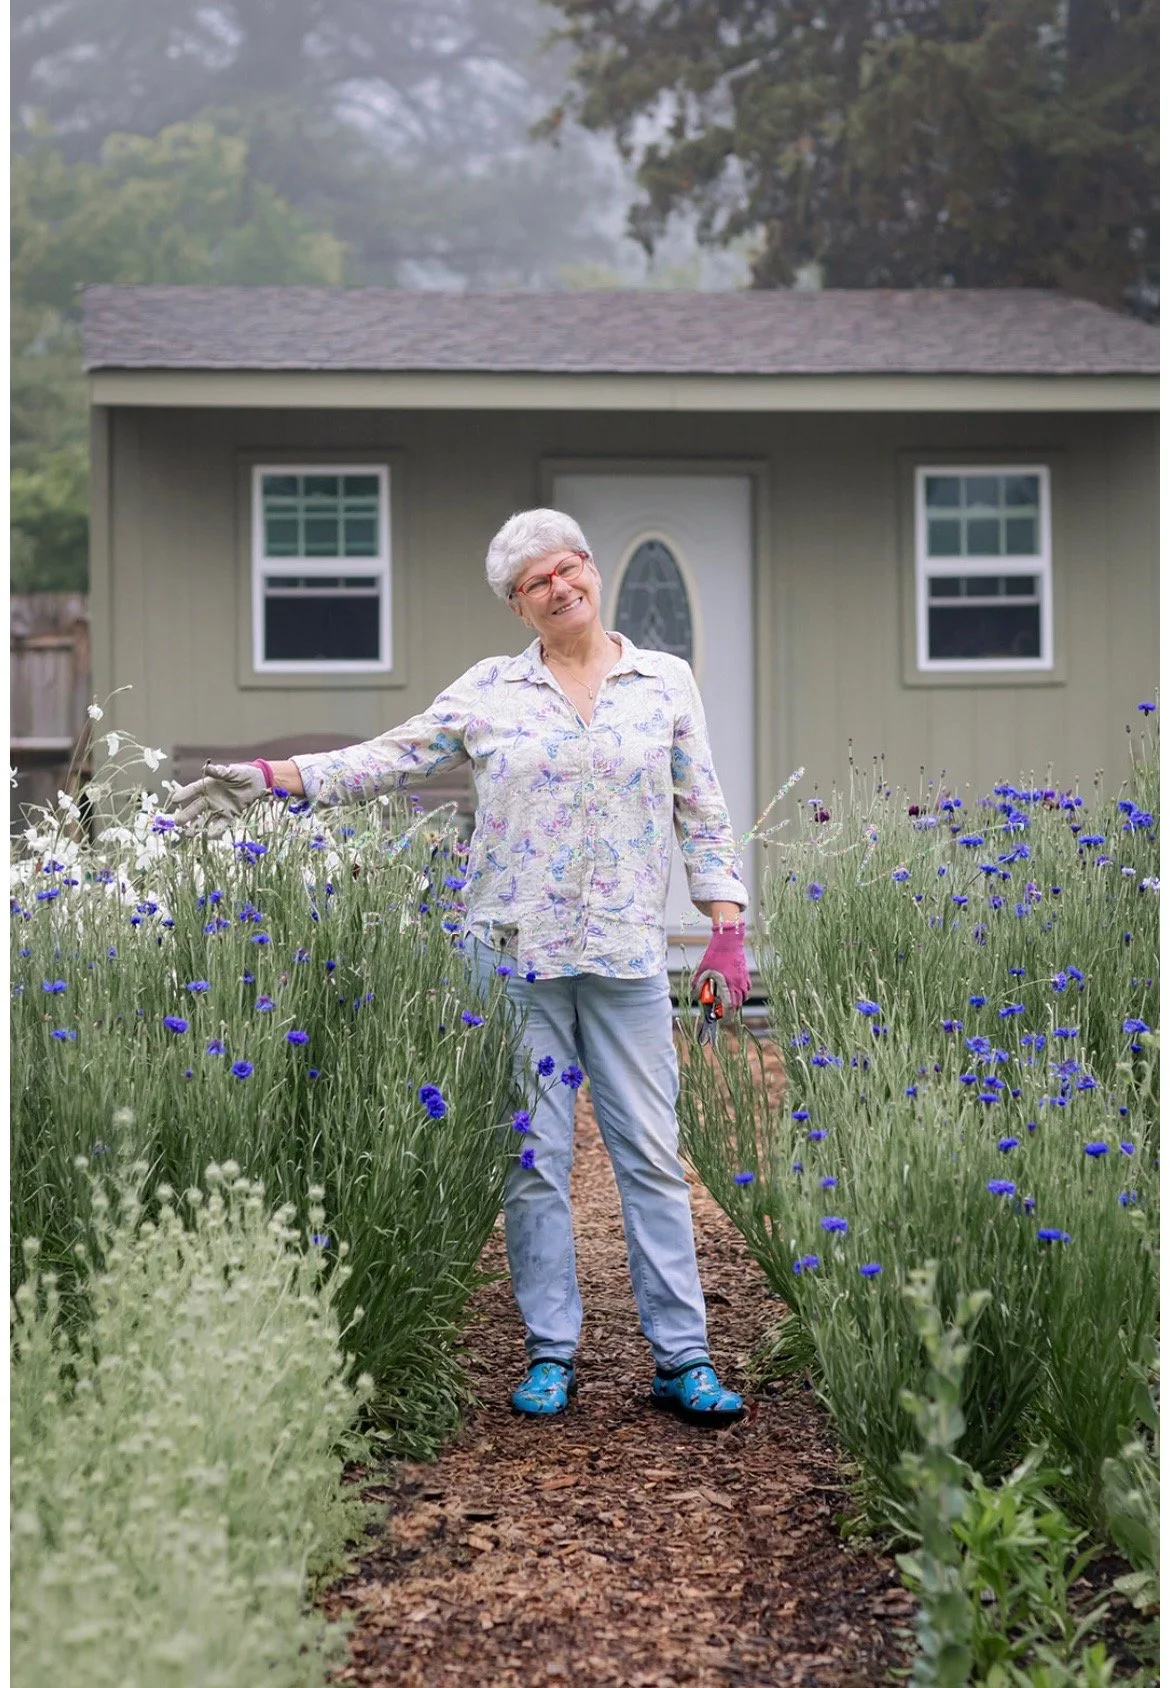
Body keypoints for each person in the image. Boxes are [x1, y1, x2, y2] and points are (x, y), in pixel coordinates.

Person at [169, 508, 753, 1426]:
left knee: (649, 1155)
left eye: (567, 569)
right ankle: (550, 1354)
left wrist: (726, 925)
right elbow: (391, 758)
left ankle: (683, 1359)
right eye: (535, 584)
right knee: (532, 1158)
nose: (558, 588)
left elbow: (703, 807)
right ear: (519, 608)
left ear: (593, 572)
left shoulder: (663, 681)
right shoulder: (490, 692)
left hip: (628, 954)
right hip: (512, 959)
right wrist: (278, 778)